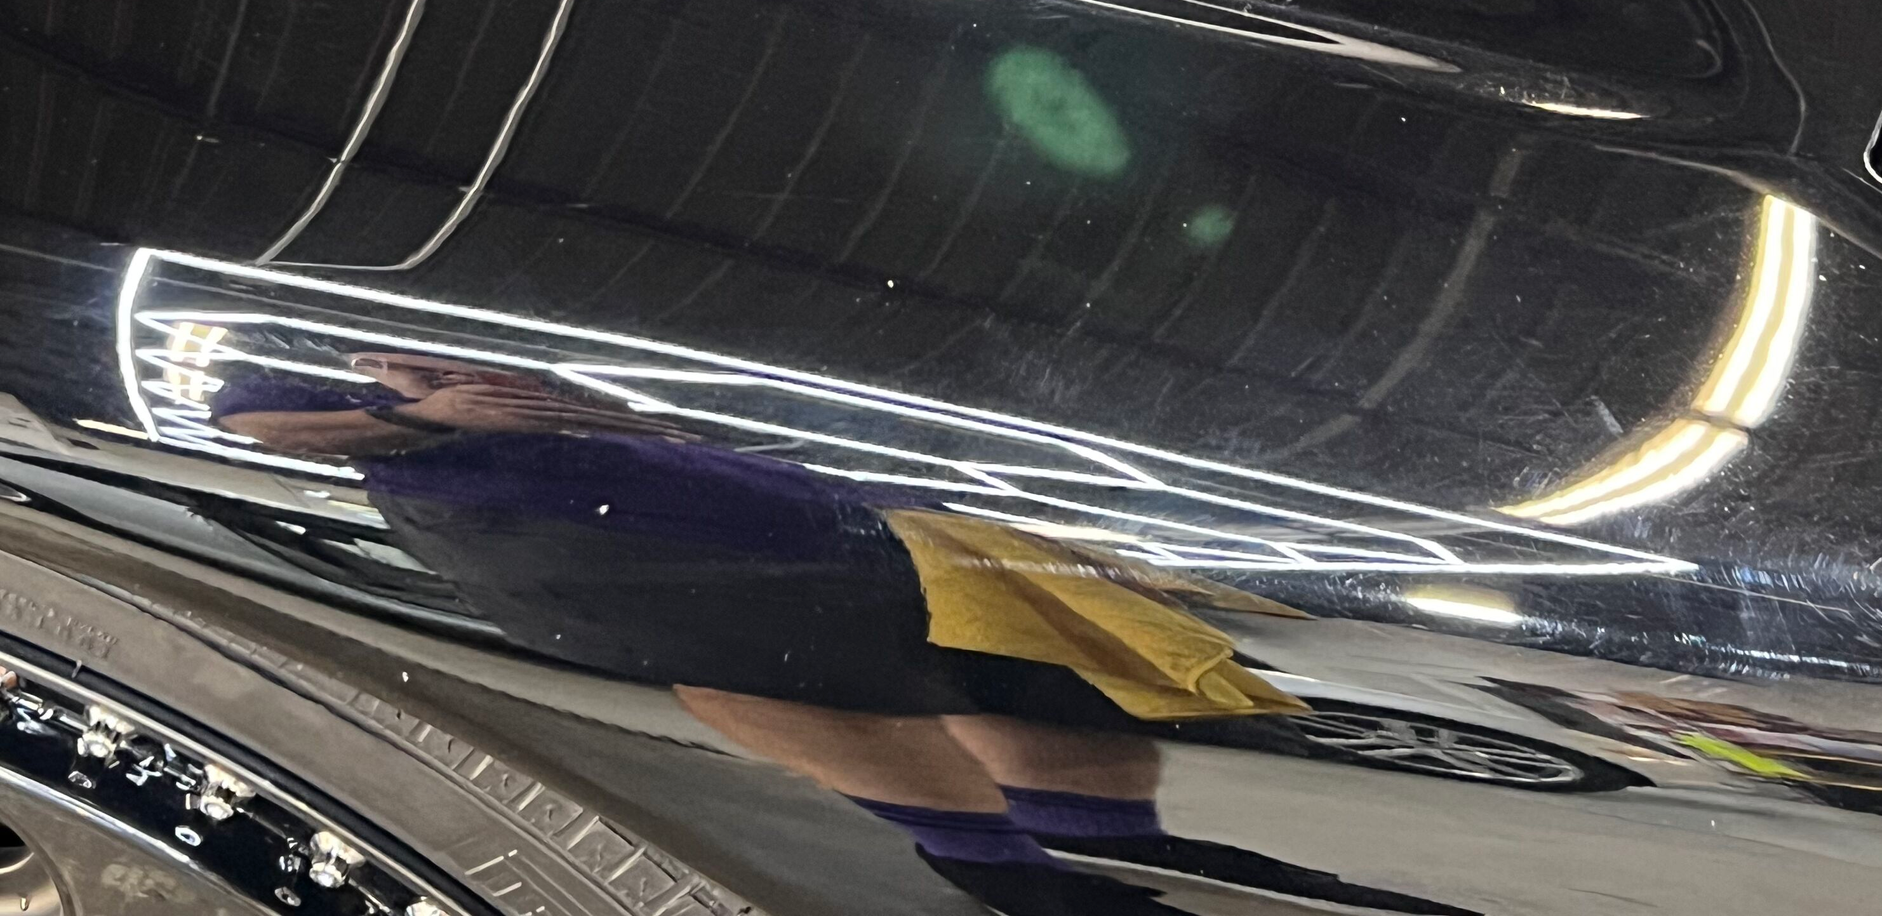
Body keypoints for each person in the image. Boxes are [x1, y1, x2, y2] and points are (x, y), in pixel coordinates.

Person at [219, 356, 1479, 916]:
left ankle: (1124, 878)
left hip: (828, 532)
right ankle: (1058, 888)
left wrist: (563, 403)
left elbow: (660, 426)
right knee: (896, 749)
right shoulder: (351, 389)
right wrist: (423, 415)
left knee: (1051, 723)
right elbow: (255, 420)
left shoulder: (536, 382)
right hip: (637, 578)